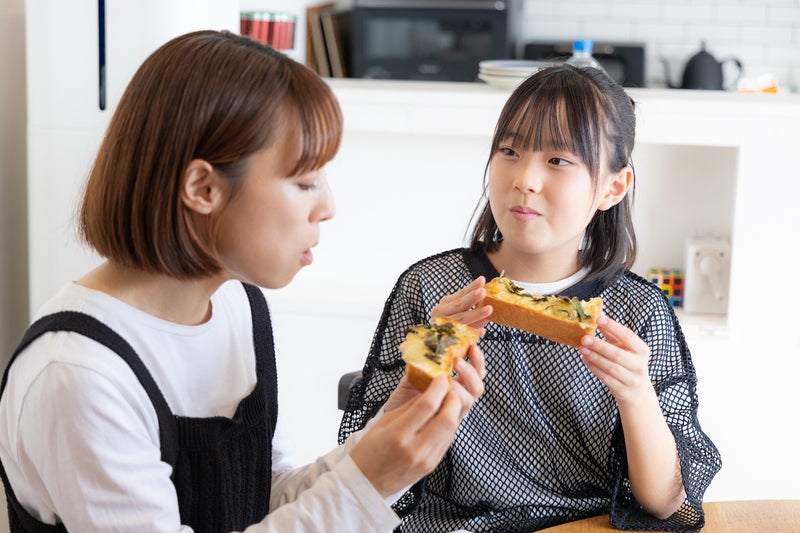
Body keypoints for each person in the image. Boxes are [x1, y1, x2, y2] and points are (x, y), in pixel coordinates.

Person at [0, 30, 486, 532]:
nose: (328, 206)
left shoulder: (236, 305)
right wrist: (369, 482)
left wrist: (394, 429)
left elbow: (267, 499)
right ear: (203, 188)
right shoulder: (80, 375)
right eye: (304, 181)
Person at [339, 64, 721, 532]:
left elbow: (665, 504)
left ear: (612, 187)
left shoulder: (635, 309)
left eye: (558, 160)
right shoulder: (431, 287)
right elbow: (362, 470)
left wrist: (636, 393)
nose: (525, 178)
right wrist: (429, 361)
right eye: (510, 150)